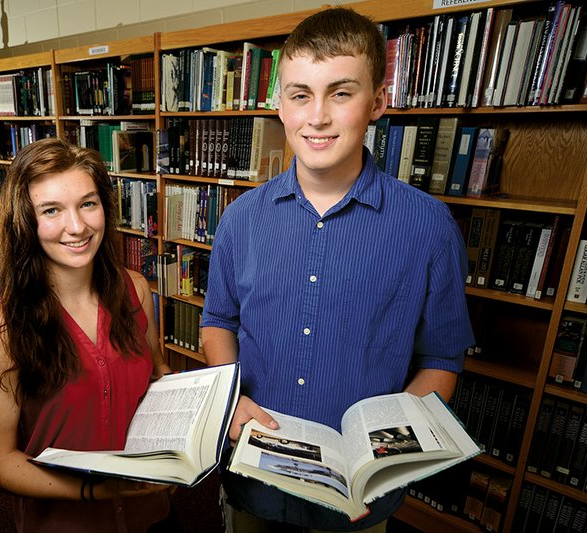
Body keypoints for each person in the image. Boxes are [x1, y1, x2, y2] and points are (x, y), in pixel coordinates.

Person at [201, 7, 474, 532]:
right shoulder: (239, 220)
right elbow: (218, 323)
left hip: (359, 497)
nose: (318, 116)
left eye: (341, 93)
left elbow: (441, 358)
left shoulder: (429, 227)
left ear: (377, 103)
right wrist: (231, 396)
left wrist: (385, 458)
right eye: (300, 94)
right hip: (254, 479)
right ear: (280, 105)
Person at [0, 138, 177, 533]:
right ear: (25, 222)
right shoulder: (1, 334)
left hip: (150, 514)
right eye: (52, 210)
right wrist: (97, 489)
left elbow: (156, 376)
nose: (78, 227)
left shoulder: (136, 291)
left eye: (87, 203)